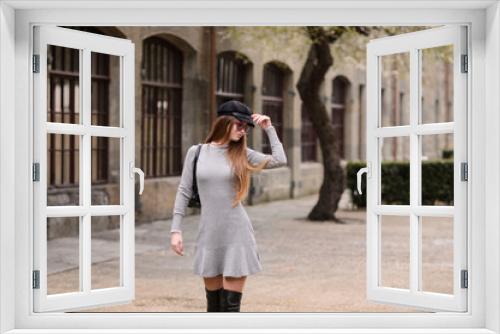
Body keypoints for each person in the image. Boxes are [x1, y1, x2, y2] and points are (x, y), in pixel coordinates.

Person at [169, 100, 287, 312]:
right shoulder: (196, 153)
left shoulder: (242, 153)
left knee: (230, 309)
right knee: (213, 308)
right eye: (239, 125)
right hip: (209, 234)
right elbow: (184, 190)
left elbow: (280, 160)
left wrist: (269, 129)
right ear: (224, 122)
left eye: (246, 127)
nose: (243, 131)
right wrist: (175, 230)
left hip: (237, 234)